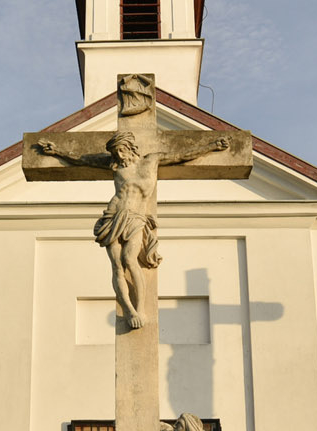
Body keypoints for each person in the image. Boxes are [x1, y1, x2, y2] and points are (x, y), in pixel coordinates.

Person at [35, 132, 227, 328]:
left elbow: (181, 156)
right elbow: (82, 159)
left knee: (129, 259)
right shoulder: (114, 164)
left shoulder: (151, 161)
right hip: (113, 216)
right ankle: (129, 310)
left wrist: (212, 146)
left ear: (130, 147)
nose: (119, 155)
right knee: (117, 266)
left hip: (136, 217)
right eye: (115, 152)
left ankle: (140, 308)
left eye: (121, 150)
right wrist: (57, 151)